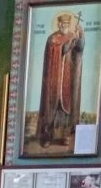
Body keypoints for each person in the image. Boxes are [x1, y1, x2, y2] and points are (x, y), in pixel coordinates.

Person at [36, 12, 84, 150]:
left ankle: (65, 135)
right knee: (51, 107)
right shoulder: (53, 38)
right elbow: (62, 49)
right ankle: (47, 136)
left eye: (68, 24)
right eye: (63, 24)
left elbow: (79, 48)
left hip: (68, 78)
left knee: (66, 108)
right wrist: (69, 42)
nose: (65, 26)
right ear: (59, 24)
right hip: (54, 78)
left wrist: (81, 36)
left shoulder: (72, 35)